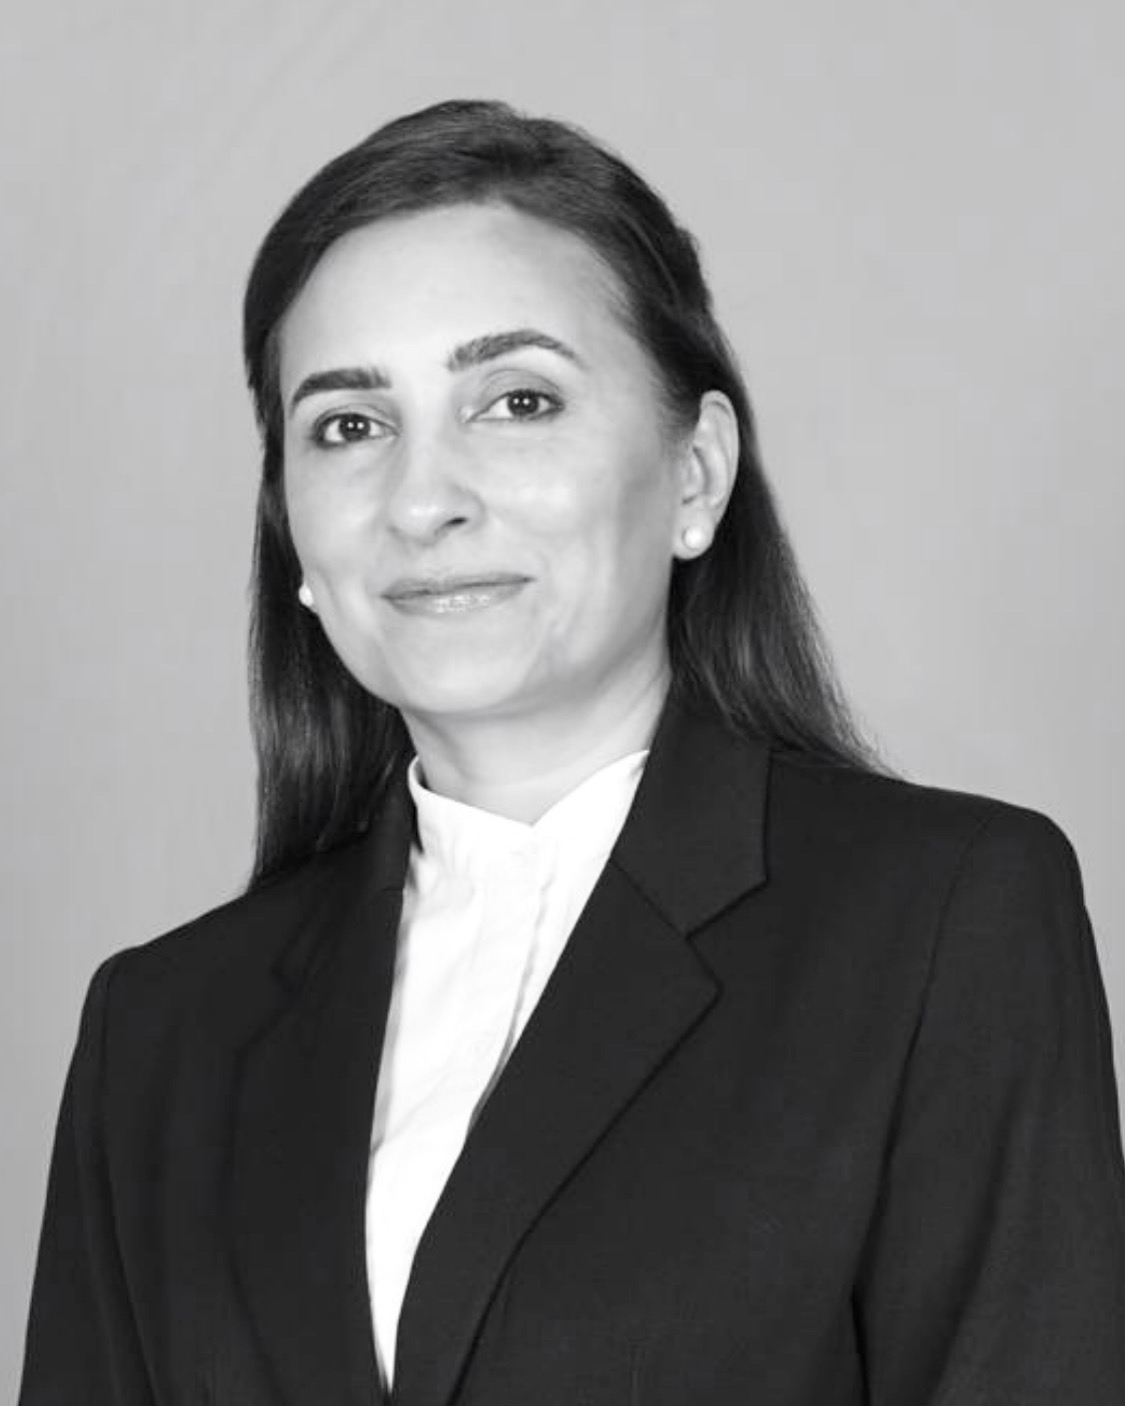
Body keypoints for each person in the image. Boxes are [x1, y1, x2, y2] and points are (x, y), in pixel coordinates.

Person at [19, 99, 1125, 1406]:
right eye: (348, 426)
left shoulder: (941, 917)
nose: (423, 499)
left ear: (695, 476)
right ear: (295, 544)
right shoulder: (162, 1029)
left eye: (517, 399)